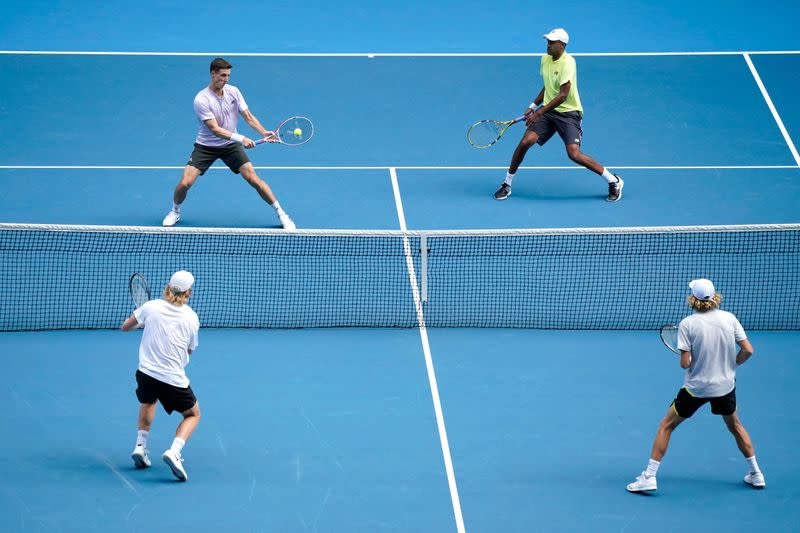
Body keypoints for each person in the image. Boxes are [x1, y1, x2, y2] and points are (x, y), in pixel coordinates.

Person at [626, 279, 765, 493]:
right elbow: (748, 350)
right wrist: (732, 363)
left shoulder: (688, 324)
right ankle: (756, 474)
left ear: (693, 298)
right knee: (735, 426)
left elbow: (685, 364)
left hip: (696, 389)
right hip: (725, 387)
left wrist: (689, 357)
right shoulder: (729, 318)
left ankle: (649, 477)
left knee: (666, 425)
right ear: (714, 296)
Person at [162, 57, 295, 229]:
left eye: (228, 76)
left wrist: (263, 132)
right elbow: (215, 129)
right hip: (206, 146)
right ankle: (175, 211)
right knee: (185, 183)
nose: (226, 79)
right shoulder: (201, 99)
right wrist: (241, 138)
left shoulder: (234, 92)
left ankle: (282, 214)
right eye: (223, 75)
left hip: (230, 146)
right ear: (212, 73)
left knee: (254, 179)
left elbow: (248, 116)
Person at [493, 28, 623, 202]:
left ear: (562, 45)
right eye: (547, 41)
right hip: (548, 111)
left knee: (574, 154)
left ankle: (613, 181)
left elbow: (562, 95)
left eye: (552, 42)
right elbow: (548, 86)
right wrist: (533, 106)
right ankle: (507, 183)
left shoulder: (568, 63)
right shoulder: (545, 59)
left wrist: (539, 112)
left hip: (568, 113)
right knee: (525, 142)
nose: (548, 44)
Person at [121, 270, 201, 482]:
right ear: (188, 292)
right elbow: (189, 351)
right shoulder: (192, 318)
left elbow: (125, 327)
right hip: (172, 379)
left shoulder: (151, 307)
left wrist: (139, 317)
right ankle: (174, 452)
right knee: (193, 414)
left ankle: (140, 446)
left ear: (168, 287)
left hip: (146, 374)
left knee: (148, 401)